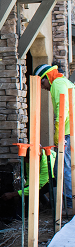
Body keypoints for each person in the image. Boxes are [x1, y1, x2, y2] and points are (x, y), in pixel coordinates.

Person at [33, 64, 74, 214]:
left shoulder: (57, 83)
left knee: (63, 169)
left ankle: (69, 205)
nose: (43, 88)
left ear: (46, 78)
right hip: (70, 132)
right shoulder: (65, 82)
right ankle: (67, 203)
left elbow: (62, 110)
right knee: (63, 168)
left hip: (68, 133)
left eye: (42, 83)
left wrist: (59, 134)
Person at [0, 149, 56, 217]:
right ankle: (43, 204)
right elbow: (30, 177)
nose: (25, 161)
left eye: (27, 160)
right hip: (41, 180)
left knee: (29, 195)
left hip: (51, 180)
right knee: (25, 193)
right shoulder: (31, 157)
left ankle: (23, 217)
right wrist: (25, 189)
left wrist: (14, 194)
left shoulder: (47, 164)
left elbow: (37, 186)